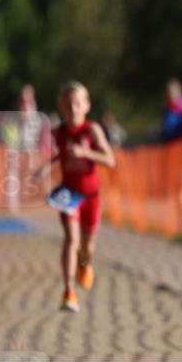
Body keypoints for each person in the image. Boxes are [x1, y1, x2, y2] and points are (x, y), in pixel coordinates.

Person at [33, 82, 116, 312]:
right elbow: (62, 155)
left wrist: (86, 152)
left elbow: (110, 160)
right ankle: (69, 292)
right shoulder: (59, 132)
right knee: (71, 239)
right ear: (61, 106)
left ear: (86, 106)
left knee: (88, 246)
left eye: (77, 103)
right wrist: (45, 168)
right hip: (69, 194)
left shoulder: (92, 130)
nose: (73, 108)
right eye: (68, 104)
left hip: (91, 195)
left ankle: (85, 262)